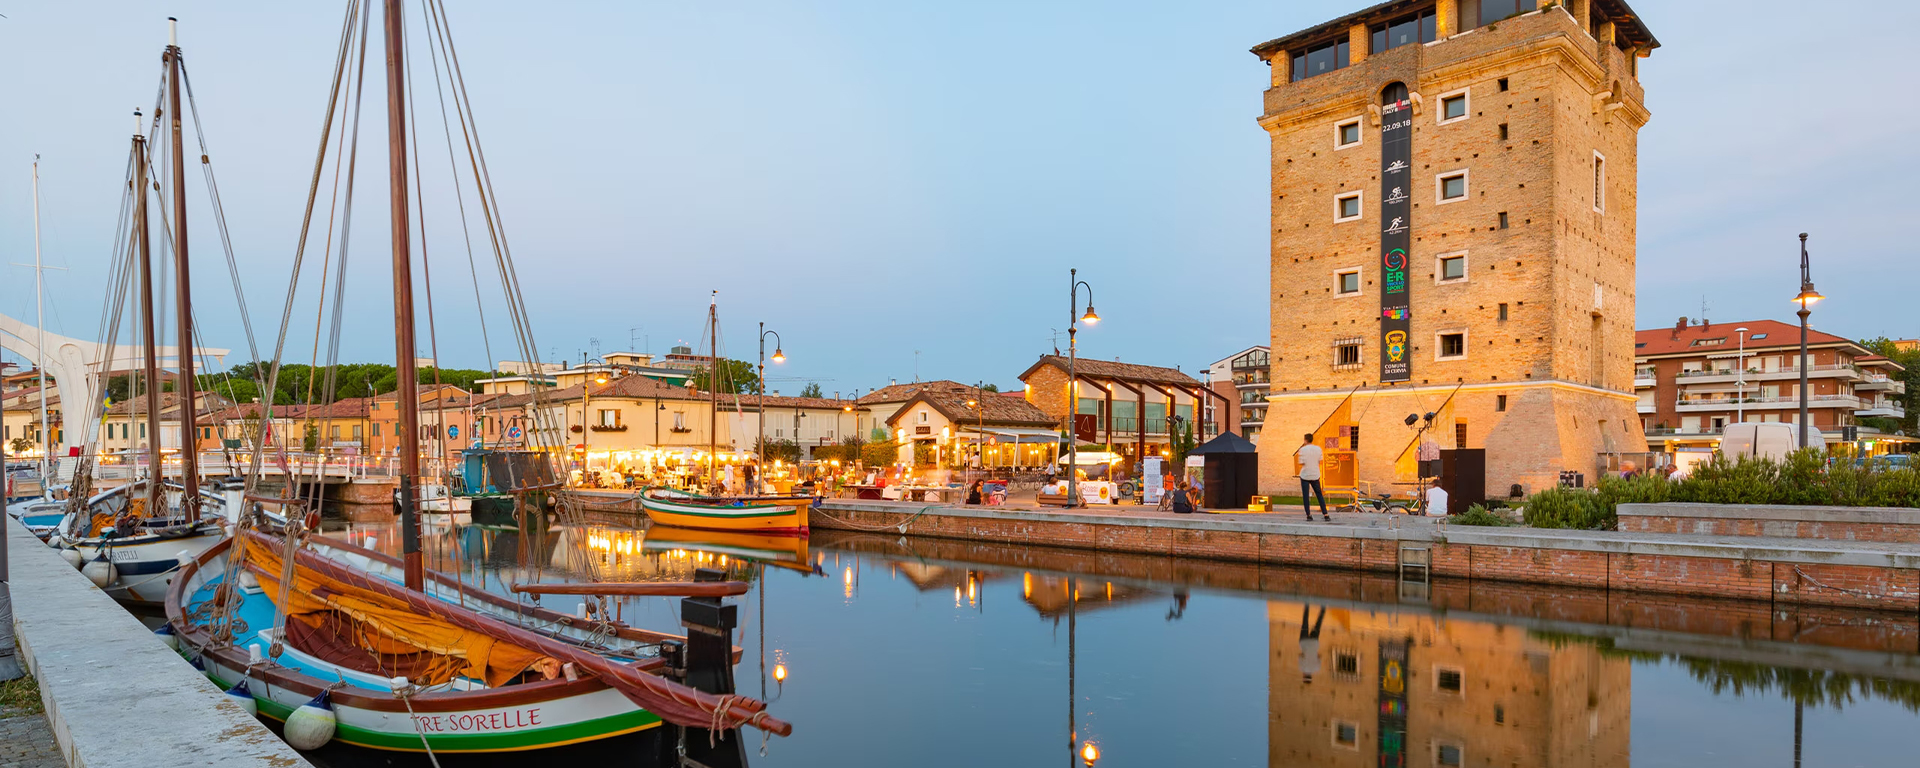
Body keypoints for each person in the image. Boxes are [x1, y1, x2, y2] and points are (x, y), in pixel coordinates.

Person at [1297, 433, 1329, 522]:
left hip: (1305, 475)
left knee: (1306, 496)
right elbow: (1321, 461)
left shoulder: (1302, 450)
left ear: (1305, 440)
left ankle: (1309, 515)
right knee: (1319, 495)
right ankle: (1326, 514)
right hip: (1315, 474)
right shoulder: (1318, 449)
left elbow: (1301, 463)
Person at [1299, 604, 1326, 683]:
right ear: (1304, 676)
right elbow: (1300, 656)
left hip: (1314, 643)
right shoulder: (1302, 668)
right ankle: (1307, 605)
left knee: (1318, 624)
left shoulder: (1316, 668)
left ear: (1311, 676)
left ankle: (1323, 608)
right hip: (1304, 642)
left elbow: (1319, 656)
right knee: (1305, 623)